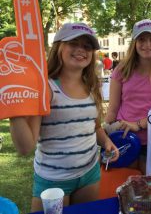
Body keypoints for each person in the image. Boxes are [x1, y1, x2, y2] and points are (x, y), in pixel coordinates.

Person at [9, 22, 119, 212]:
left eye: (86, 46)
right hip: (53, 179)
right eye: (73, 43)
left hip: (89, 174)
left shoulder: (92, 86)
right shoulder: (45, 88)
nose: (80, 50)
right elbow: (25, 147)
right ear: (59, 47)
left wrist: (106, 142)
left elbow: (94, 126)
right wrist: (12, 109)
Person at [104, 19, 151, 174]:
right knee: (120, 187)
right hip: (122, 138)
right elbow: (113, 107)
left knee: (149, 191)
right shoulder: (121, 70)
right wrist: (107, 133)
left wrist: (137, 124)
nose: (147, 44)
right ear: (134, 43)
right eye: (142, 39)